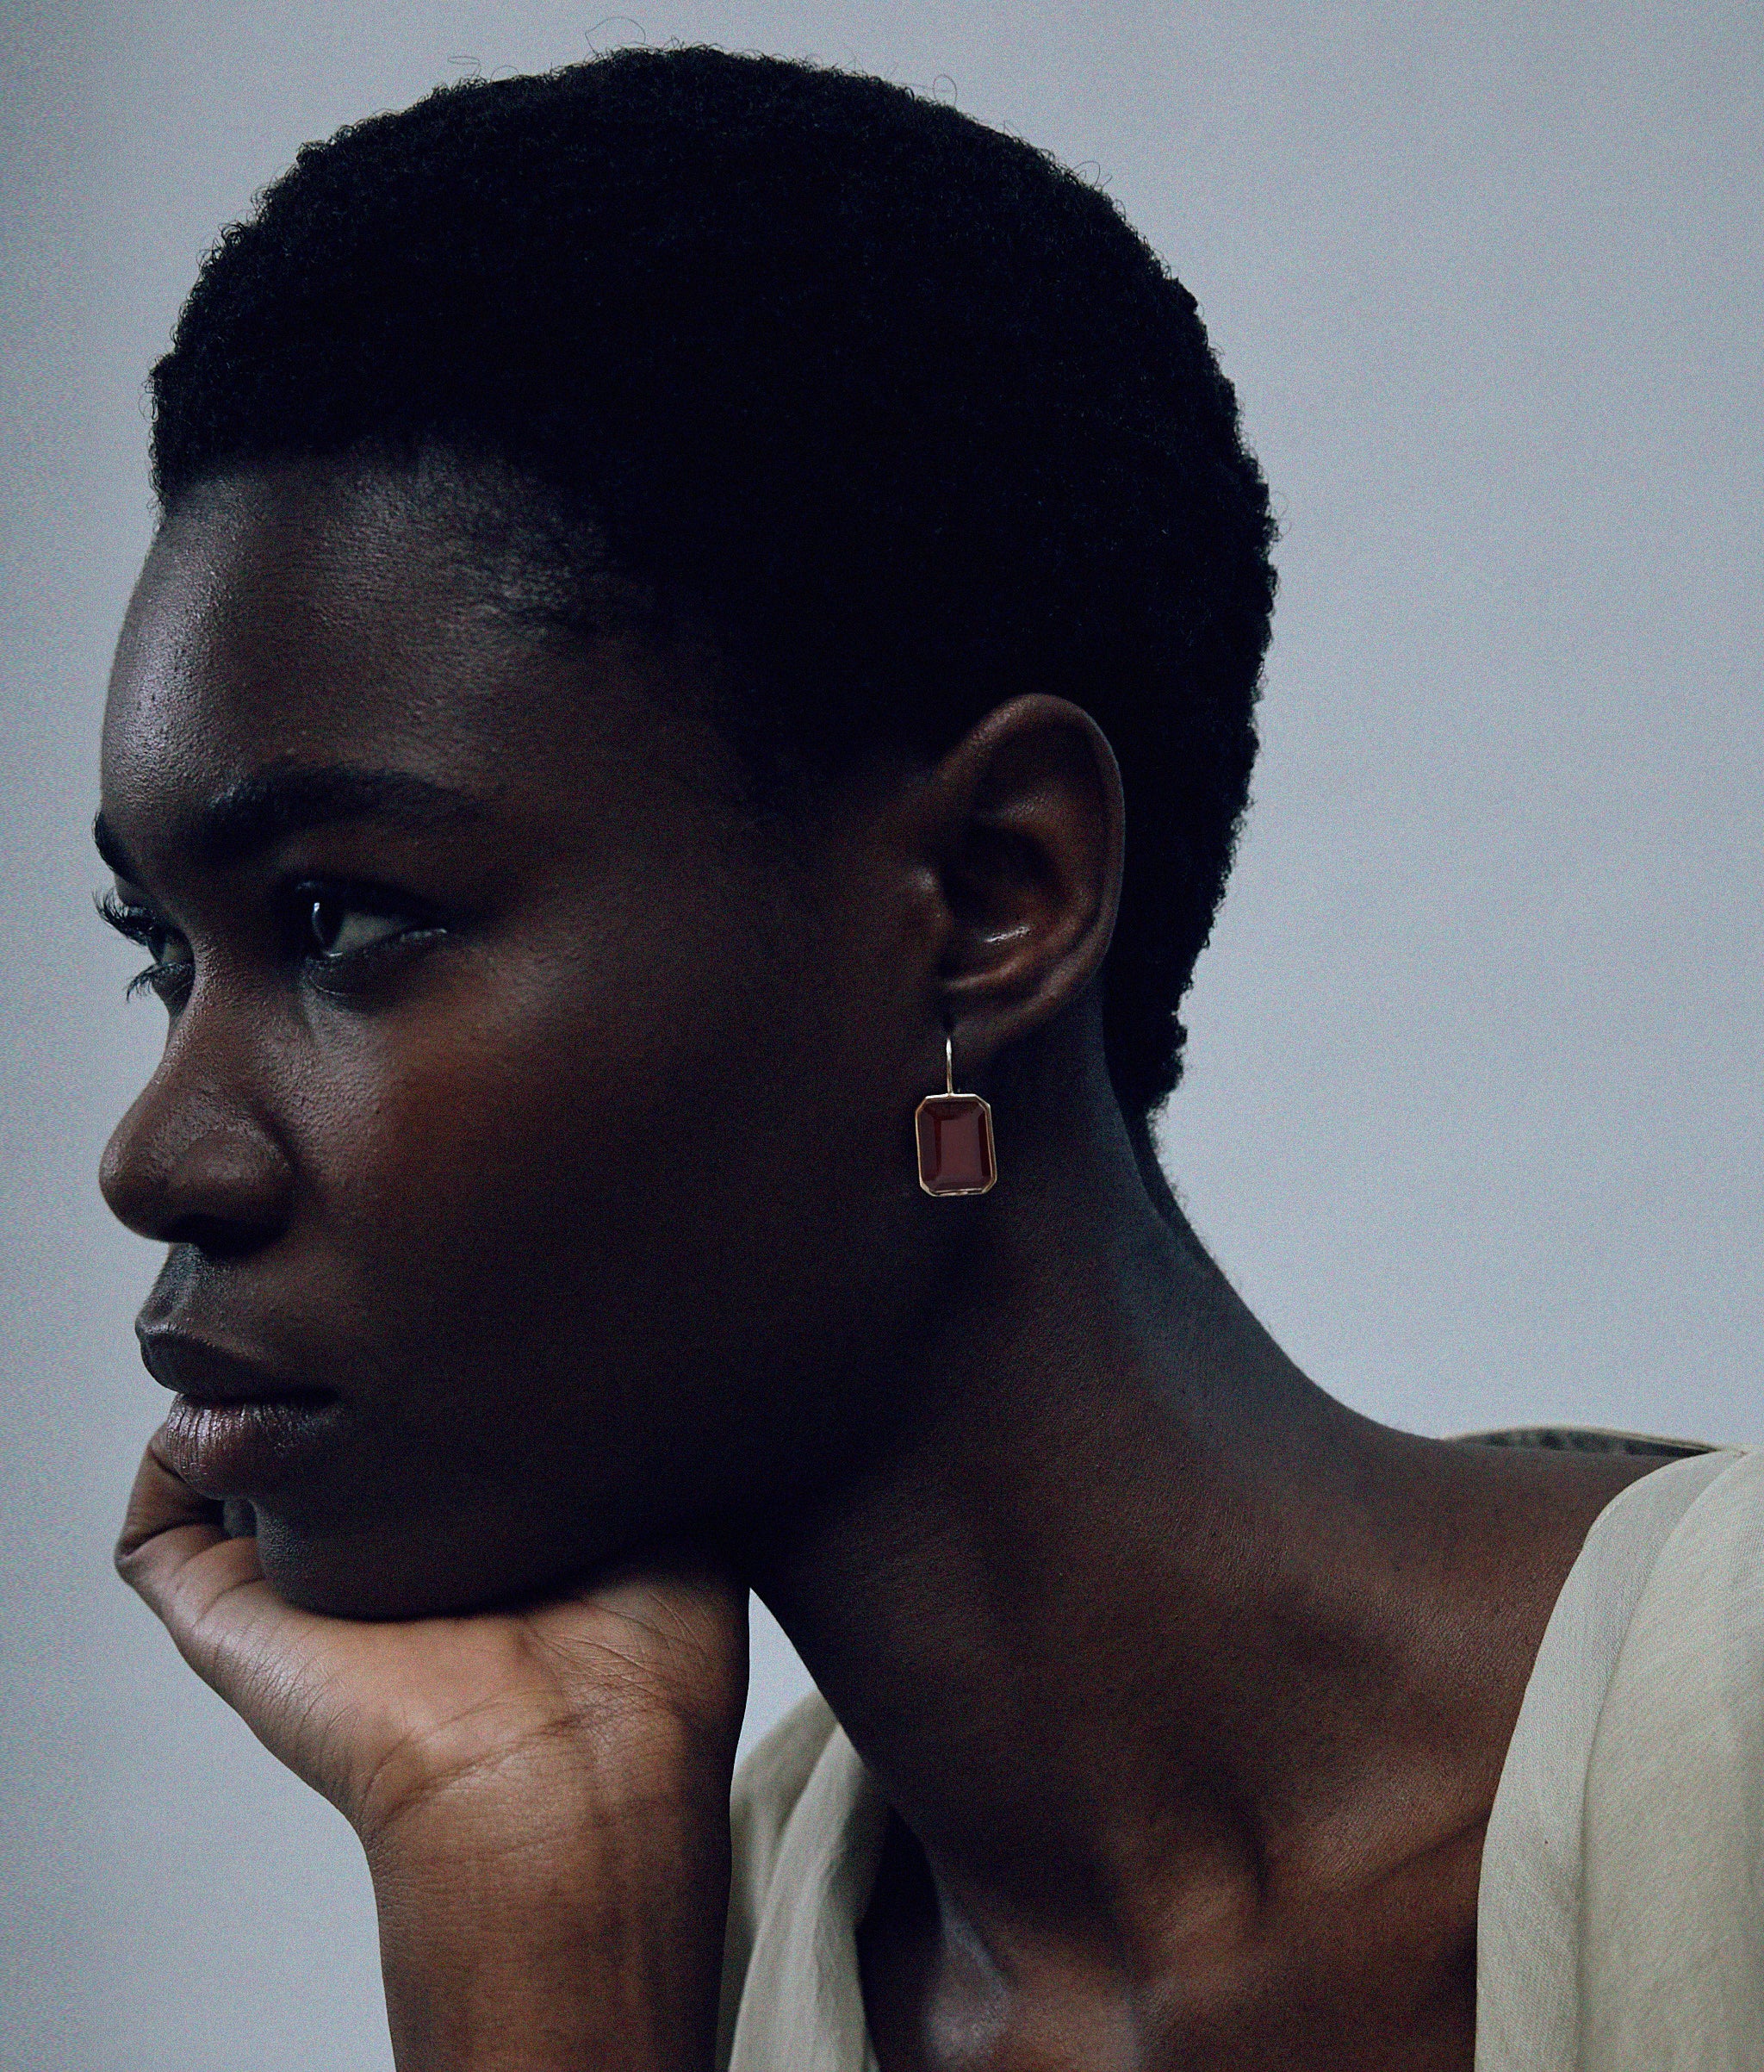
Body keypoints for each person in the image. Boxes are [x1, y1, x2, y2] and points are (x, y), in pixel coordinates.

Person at [94, 46, 1760, 2072]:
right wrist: (519, 1918)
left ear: (989, 895)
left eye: (342, 920)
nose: (160, 1152)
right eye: (154, 957)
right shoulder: (665, 1954)